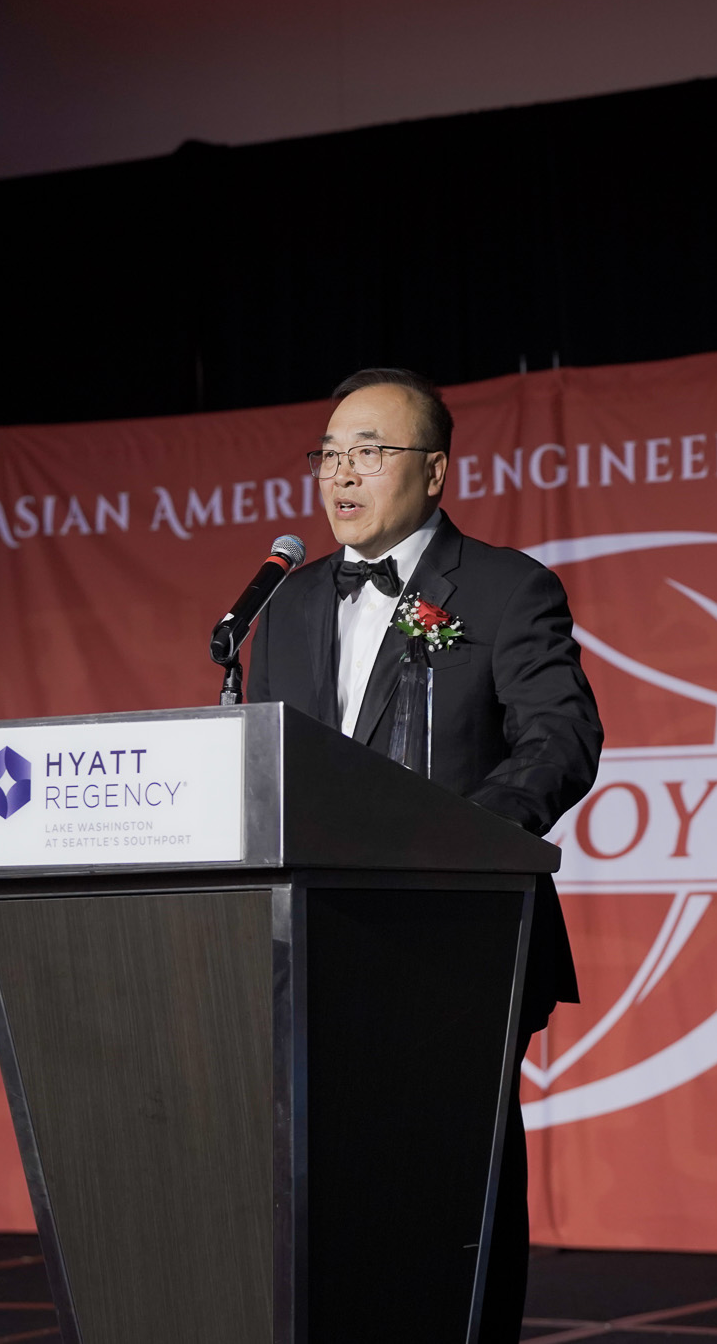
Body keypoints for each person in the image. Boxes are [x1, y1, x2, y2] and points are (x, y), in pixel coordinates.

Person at [247, 367, 601, 1340]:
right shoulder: (286, 606)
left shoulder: (504, 587)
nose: (342, 473)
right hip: (308, 941)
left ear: (435, 471)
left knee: (450, 1194)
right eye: (329, 454)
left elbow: (560, 737)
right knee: (323, 1196)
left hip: (456, 937)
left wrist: (464, 839)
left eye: (369, 451)